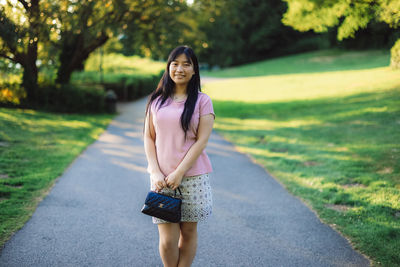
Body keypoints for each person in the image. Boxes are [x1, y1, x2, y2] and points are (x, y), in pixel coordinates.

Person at [143, 45, 215, 267]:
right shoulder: (157, 100)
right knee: (167, 239)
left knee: (189, 232)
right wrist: (155, 171)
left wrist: (180, 172)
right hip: (162, 180)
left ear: (194, 70)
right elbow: (148, 137)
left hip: (193, 178)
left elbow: (201, 140)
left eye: (186, 64)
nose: (180, 68)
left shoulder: (203, 101)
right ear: (168, 68)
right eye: (175, 63)